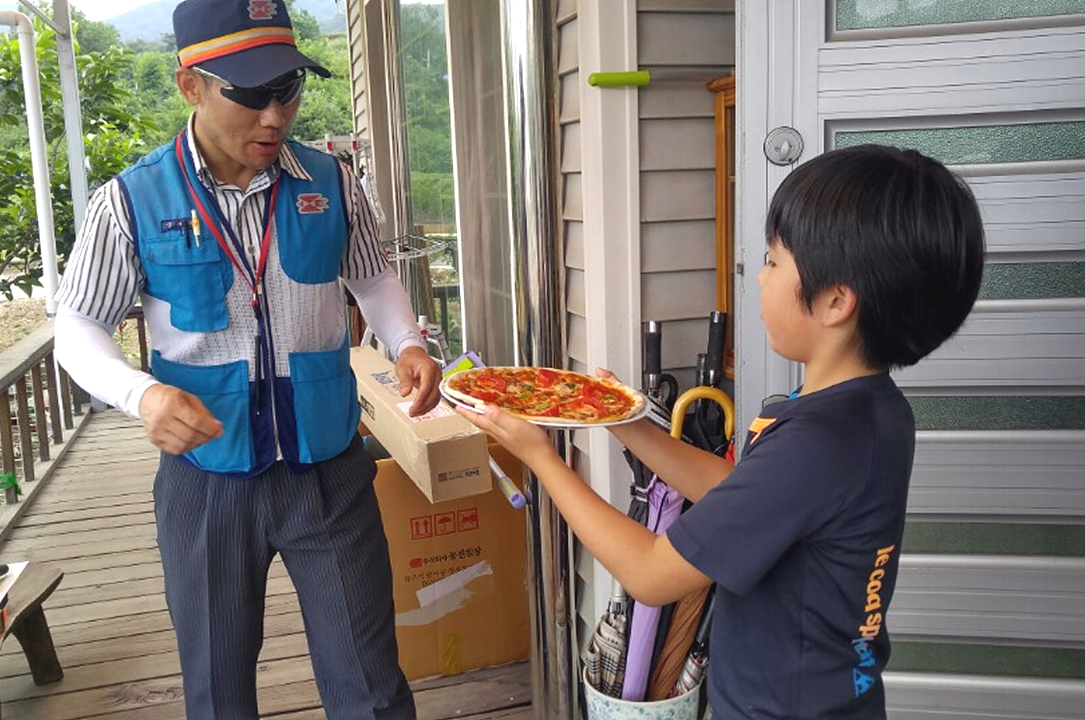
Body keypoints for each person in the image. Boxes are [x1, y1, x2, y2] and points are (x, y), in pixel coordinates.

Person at [459, 145, 986, 719]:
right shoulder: (869, 412)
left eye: (774, 260)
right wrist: (627, 424)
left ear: (835, 301)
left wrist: (541, 457)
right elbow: (740, 493)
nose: (758, 275)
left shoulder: (818, 445)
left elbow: (650, 574)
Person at [53, 0, 437, 717]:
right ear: (189, 85)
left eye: (287, 89)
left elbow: (374, 277)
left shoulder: (332, 181)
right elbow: (76, 326)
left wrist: (408, 341)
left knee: (371, 685)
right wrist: (141, 395)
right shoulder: (130, 202)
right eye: (251, 94)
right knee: (218, 687)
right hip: (207, 483)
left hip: (328, 468)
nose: (274, 117)